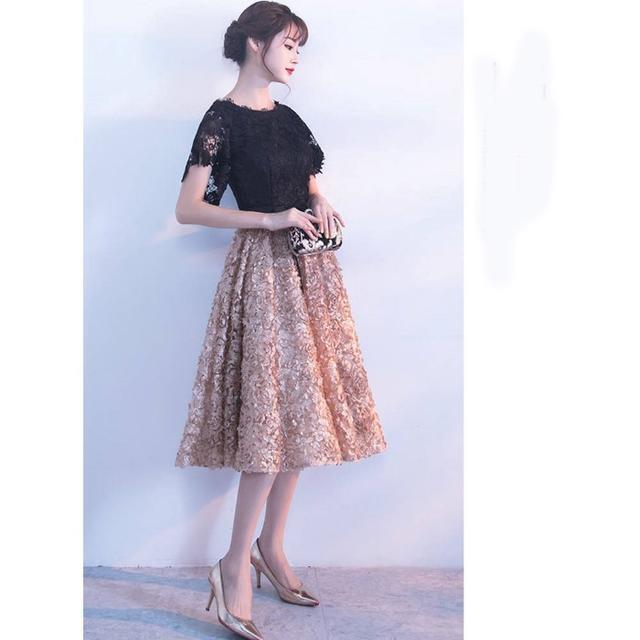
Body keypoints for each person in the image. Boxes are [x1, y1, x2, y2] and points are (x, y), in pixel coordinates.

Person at [174, 2, 388, 638]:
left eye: (300, 46)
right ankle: (231, 565)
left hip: (312, 275)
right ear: (255, 43)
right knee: (269, 426)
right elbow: (189, 208)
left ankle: (270, 548)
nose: (296, 56)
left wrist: (321, 204)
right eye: (288, 43)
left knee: (303, 418)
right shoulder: (221, 119)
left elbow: (311, 183)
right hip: (263, 277)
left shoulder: (291, 119)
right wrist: (269, 218)